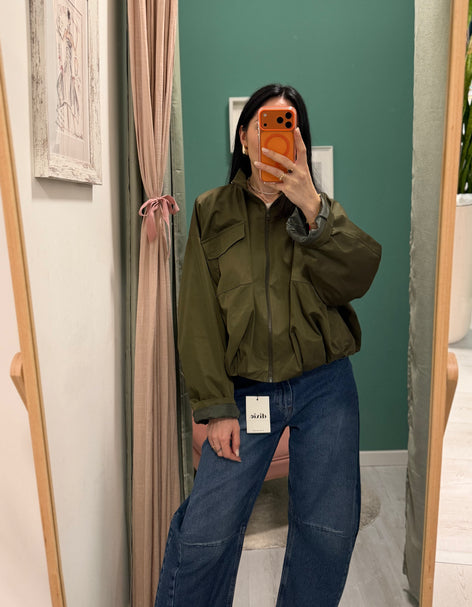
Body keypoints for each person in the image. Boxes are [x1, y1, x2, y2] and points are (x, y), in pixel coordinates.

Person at [154, 83, 382, 607]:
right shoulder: (211, 211)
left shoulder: (317, 211)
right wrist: (215, 407)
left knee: (328, 529)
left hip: (325, 388)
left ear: (299, 140)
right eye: (264, 124)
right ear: (244, 136)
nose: (275, 134)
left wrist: (312, 207)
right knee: (205, 531)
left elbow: (361, 274)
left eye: (288, 126)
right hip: (249, 394)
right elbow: (199, 317)